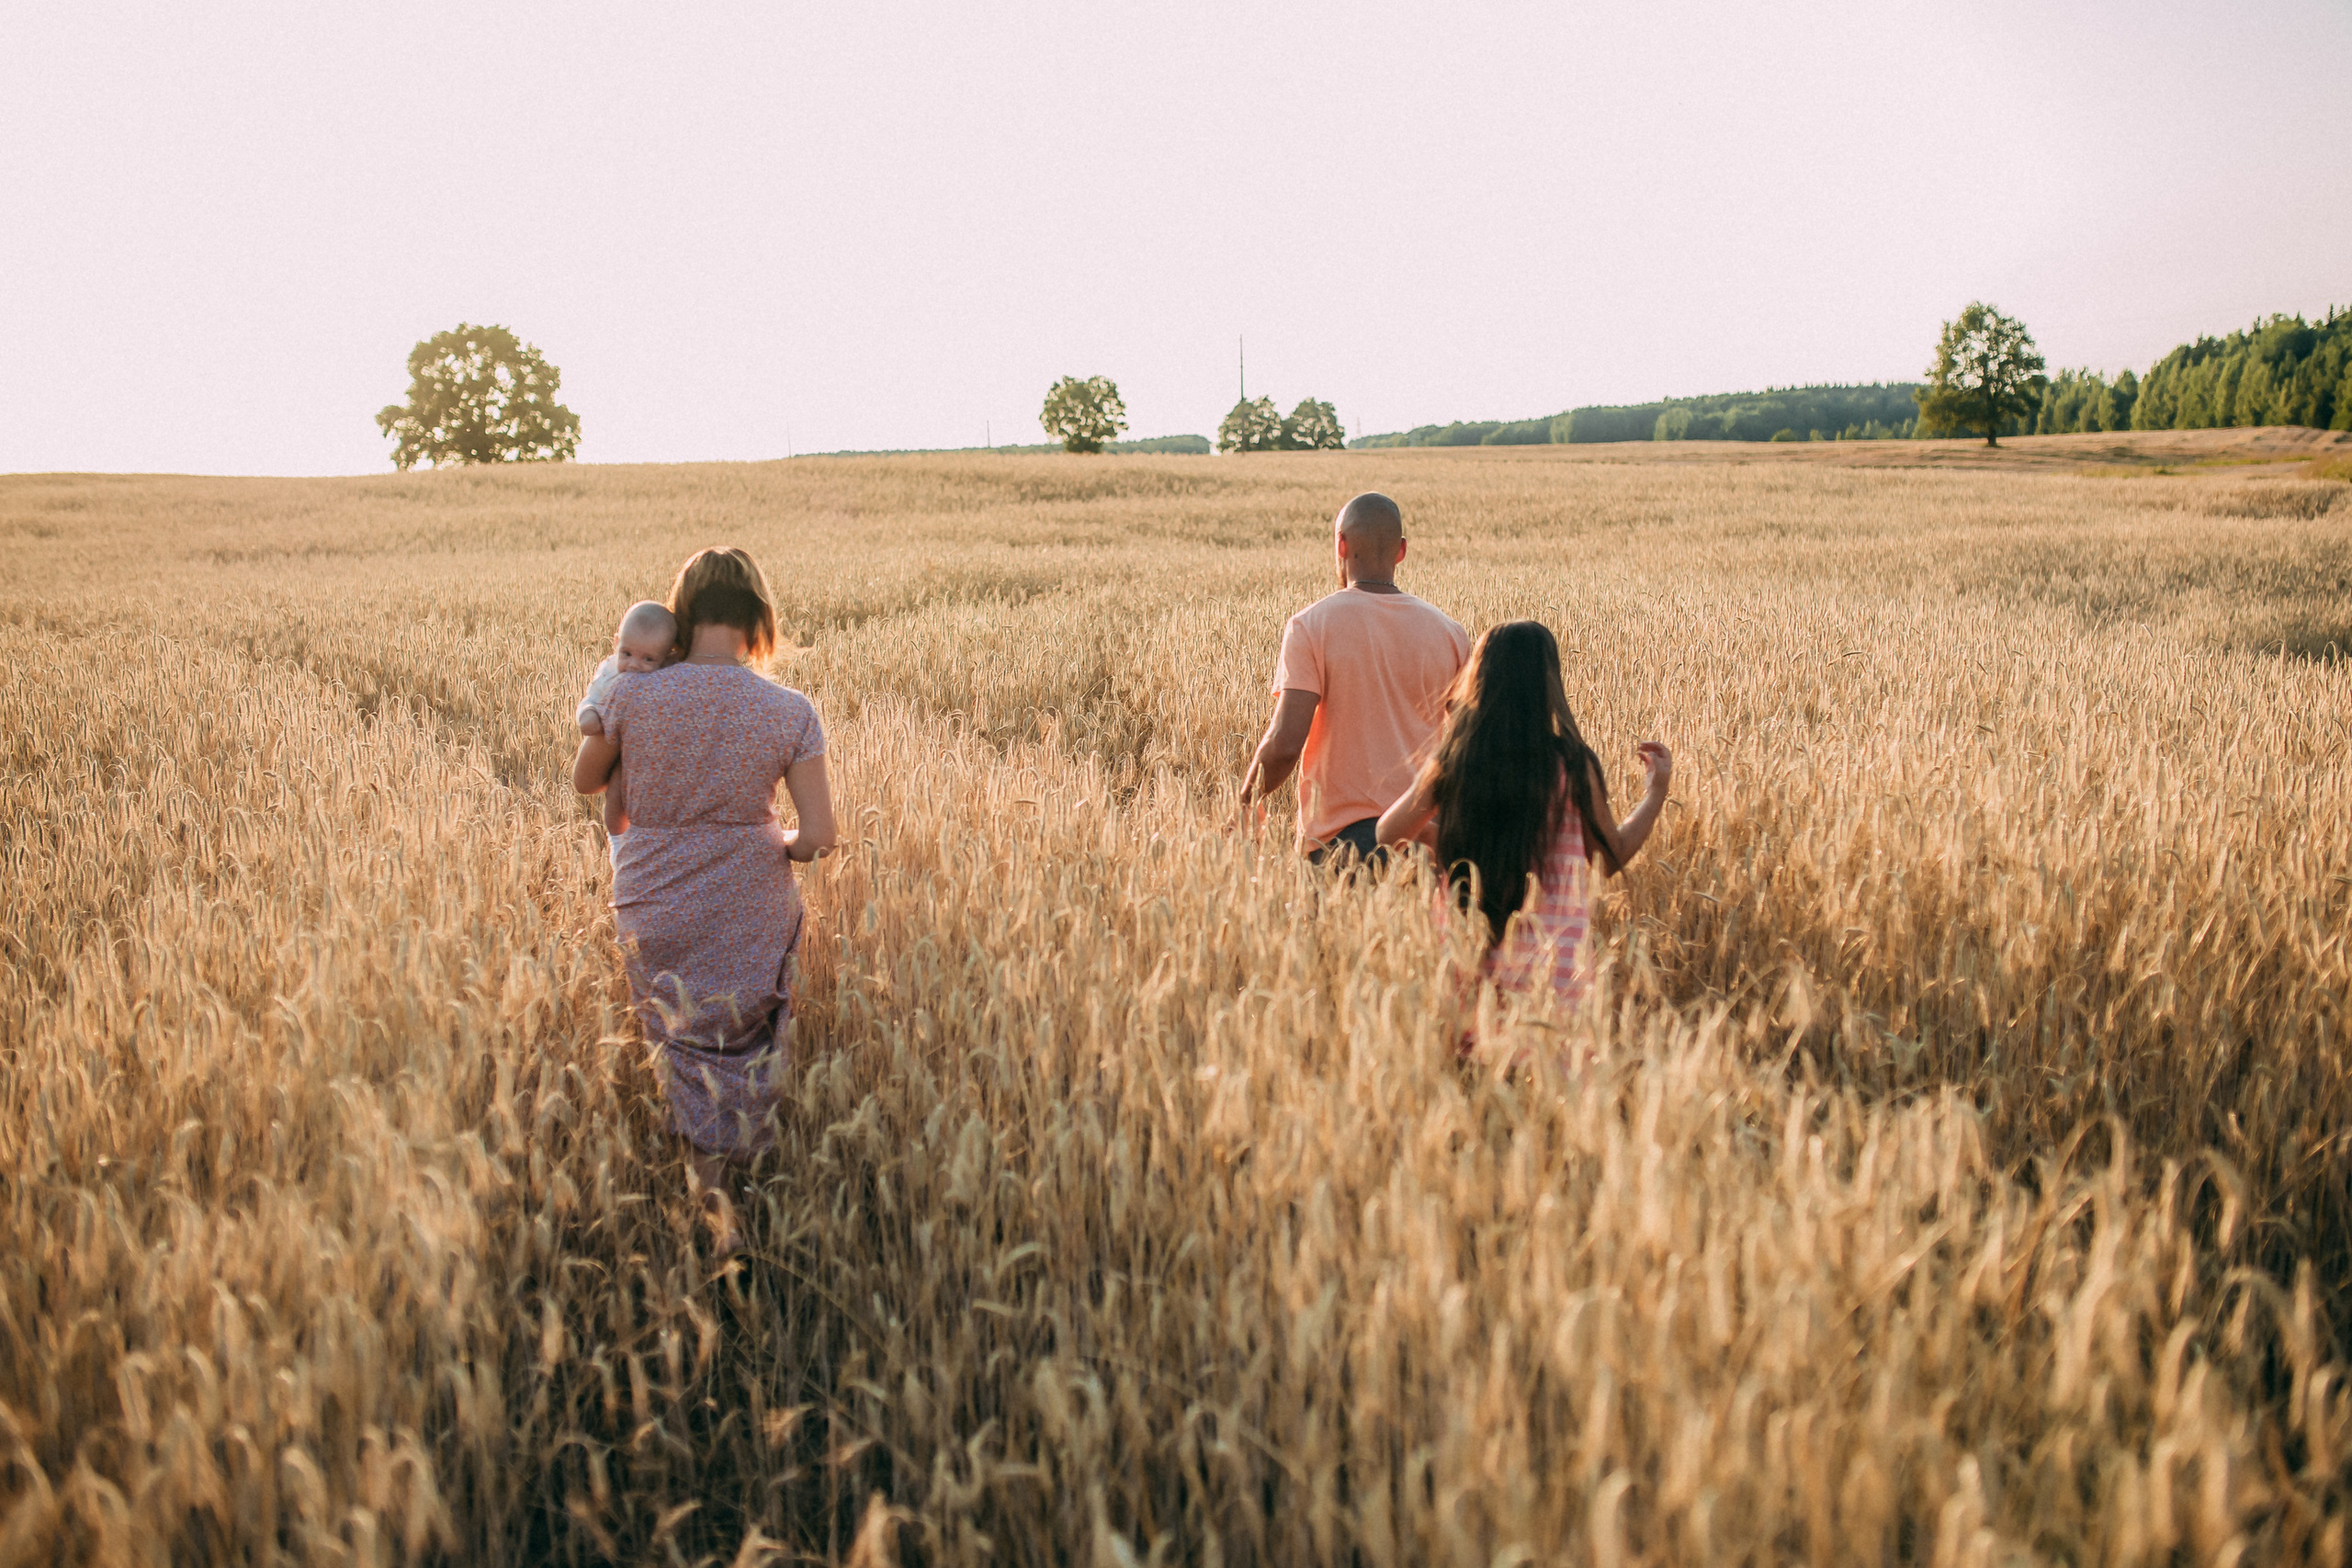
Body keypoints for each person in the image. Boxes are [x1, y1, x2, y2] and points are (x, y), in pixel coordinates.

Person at [571, 547, 837, 1250]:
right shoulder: (789, 710)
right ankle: (744, 1193)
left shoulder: (631, 694)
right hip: (752, 903)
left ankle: (714, 1214)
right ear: (757, 617)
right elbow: (818, 837)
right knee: (743, 1040)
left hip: (653, 899)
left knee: (682, 1044)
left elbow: (586, 781)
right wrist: (766, 840)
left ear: (684, 614)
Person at [1374, 620, 1670, 1014]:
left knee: (1469, 1052)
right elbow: (1608, 859)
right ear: (1548, 685)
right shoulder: (1572, 765)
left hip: (1467, 958)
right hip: (1553, 971)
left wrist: (1437, 838)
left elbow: (1388, 832)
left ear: (1478, 680)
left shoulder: (1456, 760)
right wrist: (1655, 793)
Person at [1239, 492, 1469, 864]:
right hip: (1427, 842)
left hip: (1342, 845)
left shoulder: (1310, 626)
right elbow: (1469, 744)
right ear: (1401, 551)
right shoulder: (1450, 632)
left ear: (1341, 545)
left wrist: (1246, 800)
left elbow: (1285, 745)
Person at [576, 599, 683, 847]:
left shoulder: (668, 676)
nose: (634, 665)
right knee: (616, 790)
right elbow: (590, 698)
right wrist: (588, 715)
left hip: (650, 752)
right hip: (618, 748)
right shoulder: (609, 671)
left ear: (667, 657)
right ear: (616, 643)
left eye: (648, 659)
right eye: (626, 653)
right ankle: (618, 841)